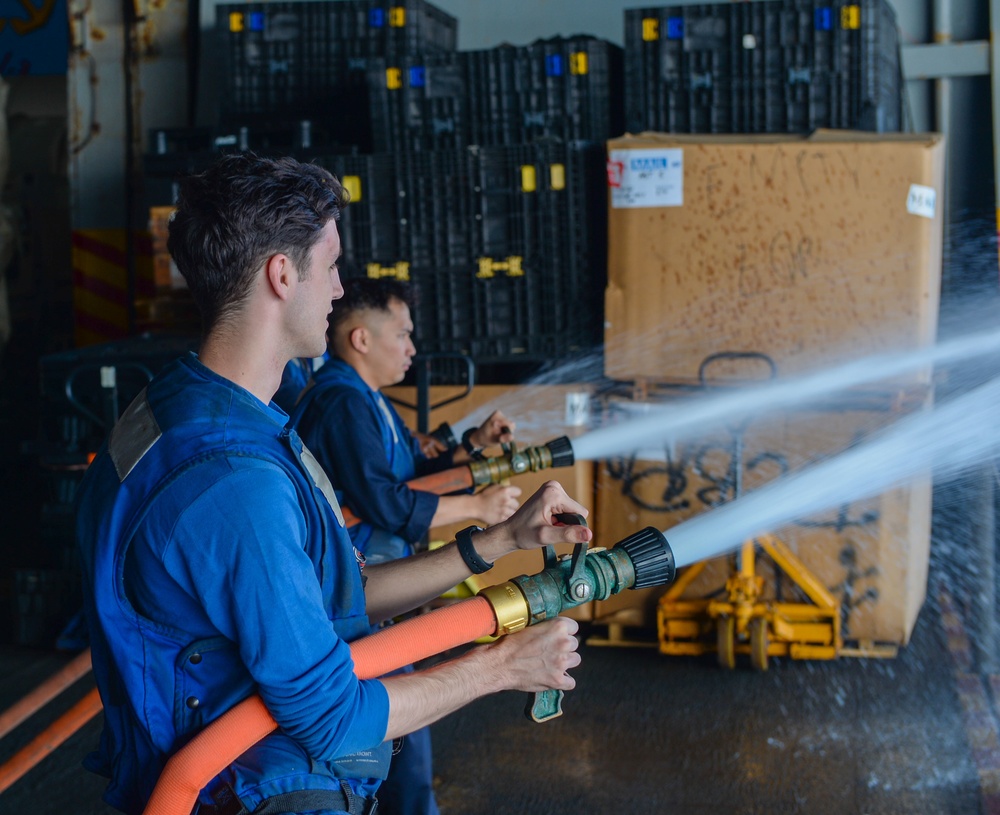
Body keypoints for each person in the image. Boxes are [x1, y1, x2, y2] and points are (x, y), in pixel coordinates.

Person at [75, 152, 591, 815]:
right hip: (261, 792)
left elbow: (335, 592)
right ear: (282, 275)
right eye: (331, 265)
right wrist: (503, 665)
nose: (341, 289)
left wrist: (499, 540)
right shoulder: (233, 483)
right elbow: (331, 715)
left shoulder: (183, 406)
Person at [290, 278, 522, 815]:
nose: (413, 348)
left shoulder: (367, 401)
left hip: (381, 594)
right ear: (361, 339)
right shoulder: (341, 402)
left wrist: (471, 445)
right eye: (403, 334)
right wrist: (479, 513)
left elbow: (415, 474)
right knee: (398, 736)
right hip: (356, 599)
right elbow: (388, 503)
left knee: (395, 734)